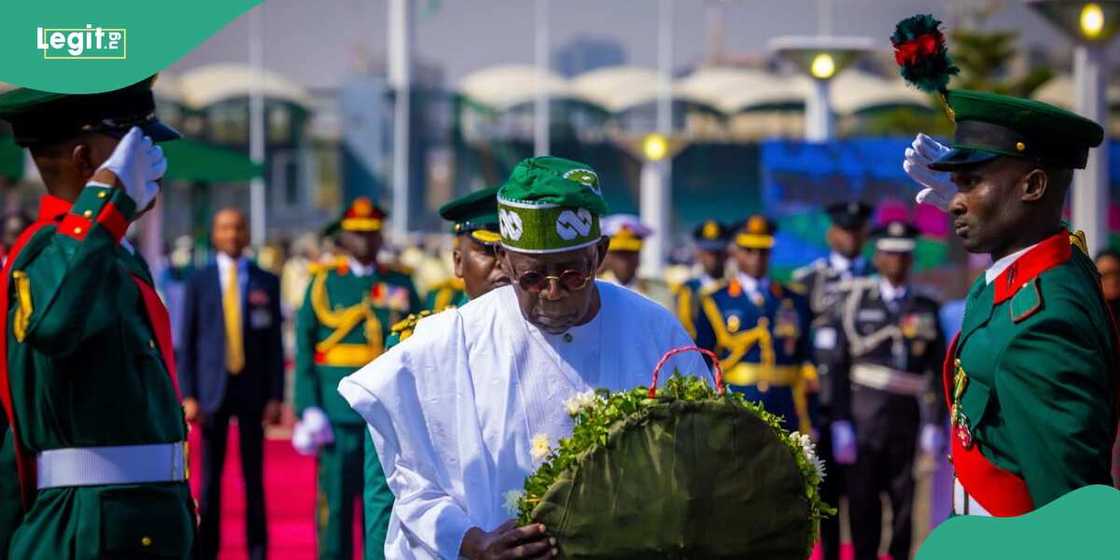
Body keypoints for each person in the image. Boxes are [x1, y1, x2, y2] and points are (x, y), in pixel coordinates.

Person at [338, 156, 707, 559]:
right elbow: (412, 482)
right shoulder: (453, 341)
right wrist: (470, 542)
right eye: (531, 277)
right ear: (504, 260)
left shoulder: (655, 331)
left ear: (600, 253)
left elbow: (703, 456)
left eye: (572, 275)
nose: (553, 292)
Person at [0, 78, 194, 558]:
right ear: (86, 159)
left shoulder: (112, 254)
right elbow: (53, 321)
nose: (155, 159)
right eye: (135, 147)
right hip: (88, 525)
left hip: (138, 517)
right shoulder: (46, 250)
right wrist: (107, 197)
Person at [903, 89, 1117, 515]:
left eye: (972, 181)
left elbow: (1072, 513)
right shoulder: (1039, 267)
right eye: (957, 183)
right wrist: (989, 207)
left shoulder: (1044, 325)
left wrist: (994, 210)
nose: (956, 201)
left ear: (1033, 185)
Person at [361, 186, 510, 558]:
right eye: (488, 251)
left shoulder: (548, 338)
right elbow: (386, 481)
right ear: (458, 262)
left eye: (511, 252)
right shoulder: (415, 346)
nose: (502, 265)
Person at [290, 197, 422, 560]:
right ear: (344, 238)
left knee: (381, 503)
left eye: (372, 233)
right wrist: (308, 405)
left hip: (385, 410)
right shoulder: (324, 283)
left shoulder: (399, 281)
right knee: (335, 504)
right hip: (338, 412)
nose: (365, 241)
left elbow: (419, 343)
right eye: (357, 234)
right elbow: (304, 346)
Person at [823, 221, 946, 560]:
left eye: (903, 255)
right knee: (863, 503)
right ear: (877, 258)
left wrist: (934, 422)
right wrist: (840, 421)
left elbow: (937, 369)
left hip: (907, 419)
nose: (897, 261)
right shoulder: (856, 301)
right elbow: (838, 366)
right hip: (863, 419)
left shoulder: (925, 306)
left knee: (904, 504)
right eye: (890, 254)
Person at [179, 208, 285, 560]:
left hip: (253, 391)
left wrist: (276, 396)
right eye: (225, 228)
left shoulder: (266, 281)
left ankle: (258, 551)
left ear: (247, 233)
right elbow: (188, 340)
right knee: (210, 481)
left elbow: (274, 344)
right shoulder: (199, 281)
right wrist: (189, 394)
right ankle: (207, 551)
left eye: (238, 228)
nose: (232, 234)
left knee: (254, 480)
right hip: (212, 391)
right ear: (215, 234)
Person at [791, 200, 872, 560]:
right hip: (822, 402)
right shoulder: (809, 281)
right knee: (825, 496)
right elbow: (799, 344)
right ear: (831, 234)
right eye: (844, 230)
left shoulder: (878, 276)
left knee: (866, 497)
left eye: (856, 230)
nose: (850, 237)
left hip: (867, 405)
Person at [693, 215, 814, 433]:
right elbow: (703, 359)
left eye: (763, 251)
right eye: (749, 250)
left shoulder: (794, 299)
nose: (756, 258)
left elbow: (805, 359)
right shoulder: (717, 299)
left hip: (785, 406)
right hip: (738, 405)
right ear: (735, 252)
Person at [598, 213, 674, 308]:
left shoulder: (659, 292)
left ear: (639, 255)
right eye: (619, 254)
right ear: (607, 256)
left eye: (631, 253)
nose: (625, 261)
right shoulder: (595, 288)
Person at [677, 219, 731, 340]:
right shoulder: (690, 289)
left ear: (726, 254)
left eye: (717, 252)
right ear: (699, 253)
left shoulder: (734, 287)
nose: (713, 258)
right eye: (708, 252)